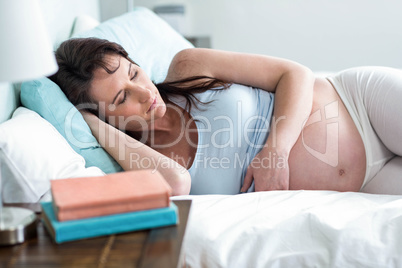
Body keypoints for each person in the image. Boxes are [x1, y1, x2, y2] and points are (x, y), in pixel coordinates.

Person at [49, 37, 402, 196]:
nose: (146, 93)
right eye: (123, 97)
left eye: (134, 72)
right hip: (363, 185)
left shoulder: (187, 67)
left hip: (360, 104)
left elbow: (295, 73)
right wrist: (93, 125)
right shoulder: (143, 161)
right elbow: (176, 184)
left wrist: (275, 150)